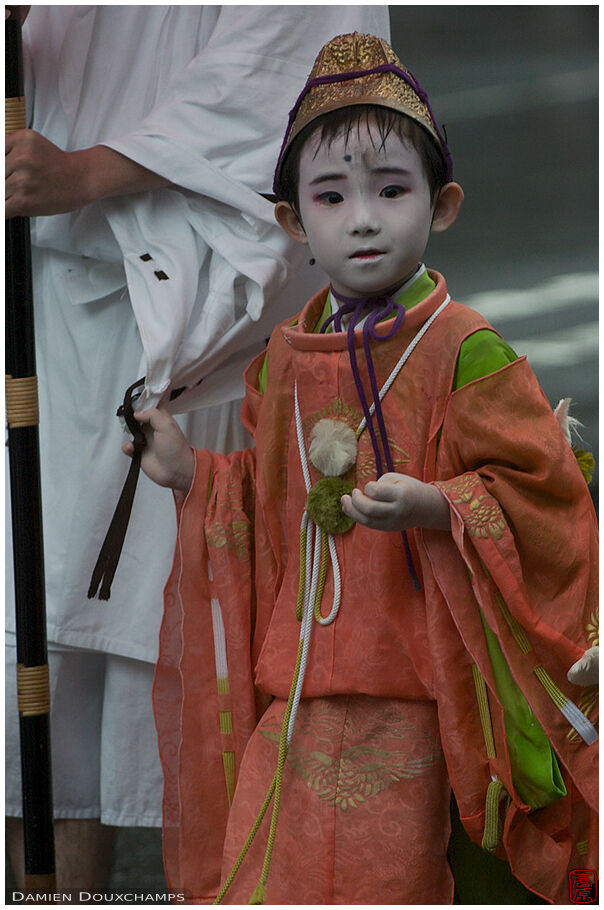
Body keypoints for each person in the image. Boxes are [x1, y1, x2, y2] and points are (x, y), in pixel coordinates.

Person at [128, 32, 597, 905]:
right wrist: (194, 472)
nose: (365, 217)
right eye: (332, 197)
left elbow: (546, 496)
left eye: (392, 190)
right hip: (297, 694)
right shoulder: (283, 363)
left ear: (443, 202)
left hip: (421, 693)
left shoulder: (467, 351)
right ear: (293, 221)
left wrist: (441, 505)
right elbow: (273, 505)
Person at [4, 6, 391, 897]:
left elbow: (293, 52)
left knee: (122, 652)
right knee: (31, 668)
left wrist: (90, 170)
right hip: (32, 269)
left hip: (179, 284)